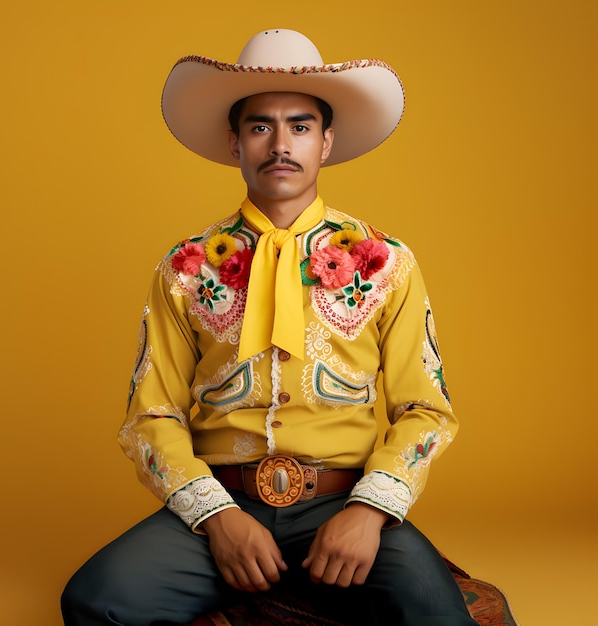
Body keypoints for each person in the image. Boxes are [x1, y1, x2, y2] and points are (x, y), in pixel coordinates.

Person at [61, 28, 478, 626]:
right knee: (96, 601)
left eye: (300, 126)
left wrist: (370, 512)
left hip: (343, 504)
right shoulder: (187, 266)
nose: (280, 144)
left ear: (327, 142)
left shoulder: (386, 261)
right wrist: (215, 517)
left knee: (439, 616)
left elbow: (425, 409)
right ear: (234, 143)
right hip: (224, 502)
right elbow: (149, 417)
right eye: (260, 126)